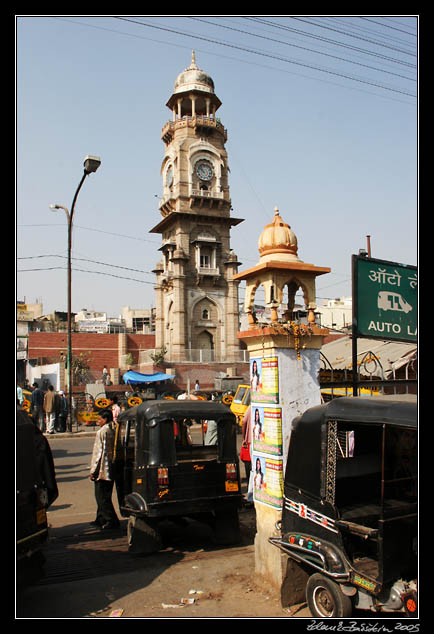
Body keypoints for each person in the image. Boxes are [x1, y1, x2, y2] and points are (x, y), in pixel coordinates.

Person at [89, 409, 120, 530]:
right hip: (110, 468)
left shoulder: (103, 431)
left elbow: (99, 453)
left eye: (100, 419)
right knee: (103, 495)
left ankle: (111, 519)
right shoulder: (112, 429)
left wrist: (93, 471)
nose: (98, 421)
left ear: (105, 419)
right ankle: (100, 518)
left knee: (101, 497)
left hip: (102, 469)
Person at [240, 405, 252, 486]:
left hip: (250, 441)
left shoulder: (250, 407)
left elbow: (244, 421)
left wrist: (244, 438)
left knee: (249, 467)